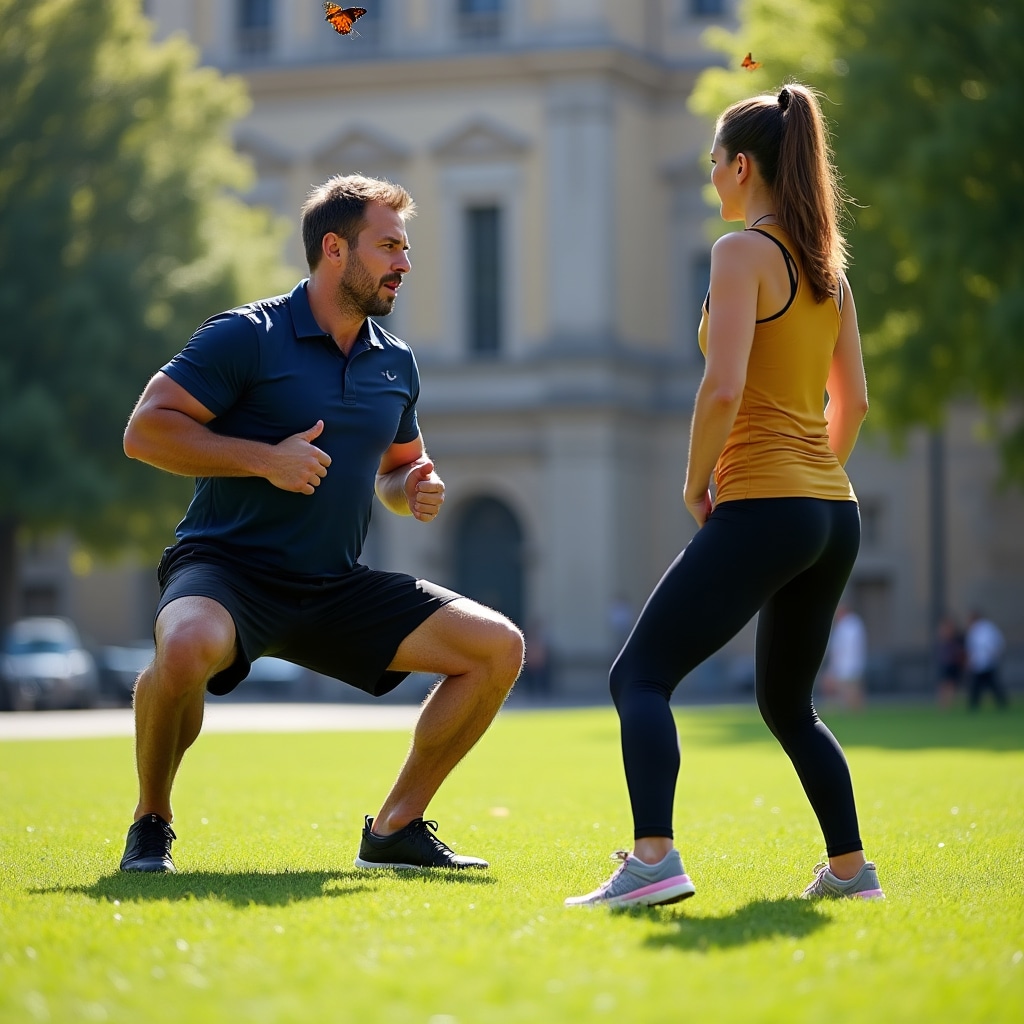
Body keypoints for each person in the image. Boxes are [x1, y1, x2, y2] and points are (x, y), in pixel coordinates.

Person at [119, 174, 524, 874]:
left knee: (498, 648)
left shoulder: (395, 362)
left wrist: (411, 488)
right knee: (183, 648)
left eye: (405, 247)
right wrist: (264, 460)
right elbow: (144, 432)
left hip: (334, 585)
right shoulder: (246, 335)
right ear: (334, 249)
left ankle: (395, 829)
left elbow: (397, 470)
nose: (405, 263)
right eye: (389, 246)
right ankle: (151, 820)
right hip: (226, 571)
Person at [566, 84, 883, 907]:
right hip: (833, 512)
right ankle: (851, 872)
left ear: (742, 167)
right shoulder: (831, 274)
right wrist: (812, 482)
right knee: (789, 705)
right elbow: (853, 405)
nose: (710, 175)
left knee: (638, 676)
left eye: (713, 161)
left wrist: (695, 480)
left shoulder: (740, 253)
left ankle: (653, 861)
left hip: (768, 502)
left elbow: (722, 387)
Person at [821, 604, 867, 710]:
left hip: (847, 665)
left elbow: (845, 648)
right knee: (847, 691)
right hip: (847, 665)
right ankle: (841, 707)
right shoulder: (846, 625)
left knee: (851, 691)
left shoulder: (850, 625)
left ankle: (851, 709)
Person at [964, 610, 1008, 710]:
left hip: (987, 662)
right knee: (980, 686)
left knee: (990, 685)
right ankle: (974, 705)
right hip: (980, 663)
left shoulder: (985, 629)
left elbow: (994, 644)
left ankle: (1000, 704)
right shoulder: (977, 629)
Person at [935, 614, 966, 710]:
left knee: (951, 684)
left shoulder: (957, 638)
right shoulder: (944, 639)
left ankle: (948, 704)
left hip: (953, 663)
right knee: (944, 684)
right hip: (946, 663)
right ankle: (943, 704)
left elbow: (961, 652)